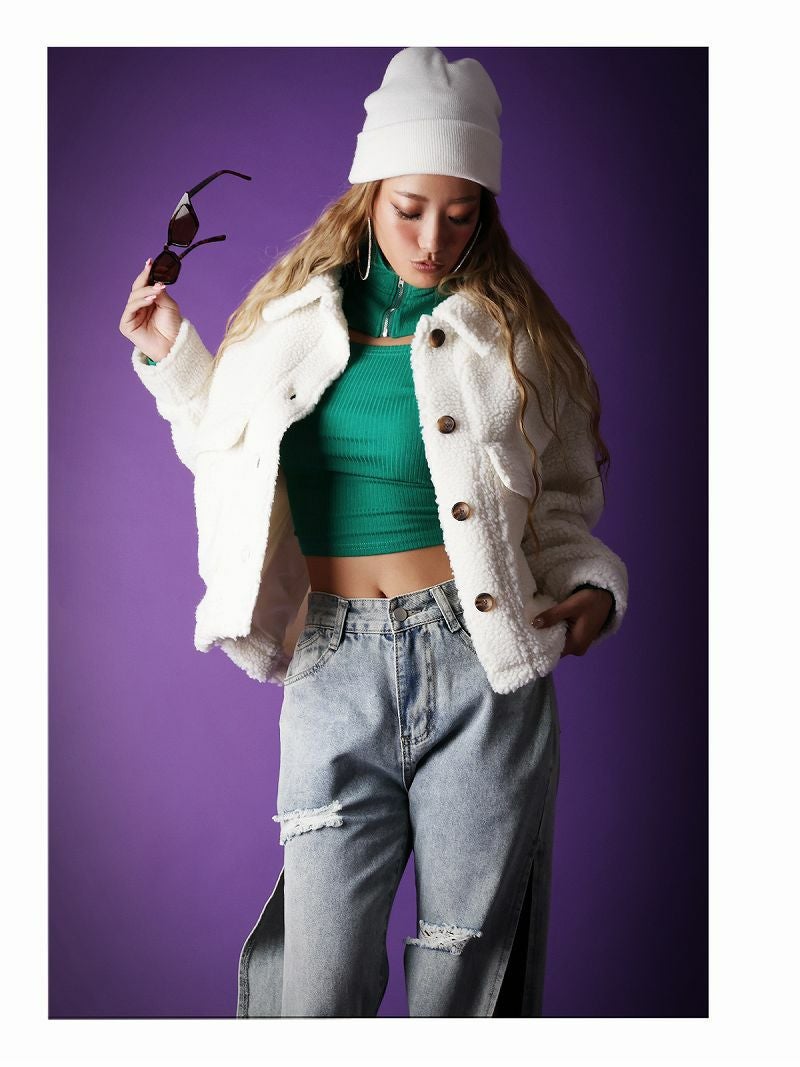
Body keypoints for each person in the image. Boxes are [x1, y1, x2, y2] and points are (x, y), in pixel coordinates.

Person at [118, 47, 628, 1018]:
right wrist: (174, 359)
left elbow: (561, 505)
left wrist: (591, 588)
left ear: (483, 211)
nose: (433, 238)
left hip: (479, 665)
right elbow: (231, 460)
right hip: (332, 660)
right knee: (317, 991)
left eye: (460, 212)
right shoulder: (289, 323)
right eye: (409, 208)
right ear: (368, 193)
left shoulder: (512, 341)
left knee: (461, 983)